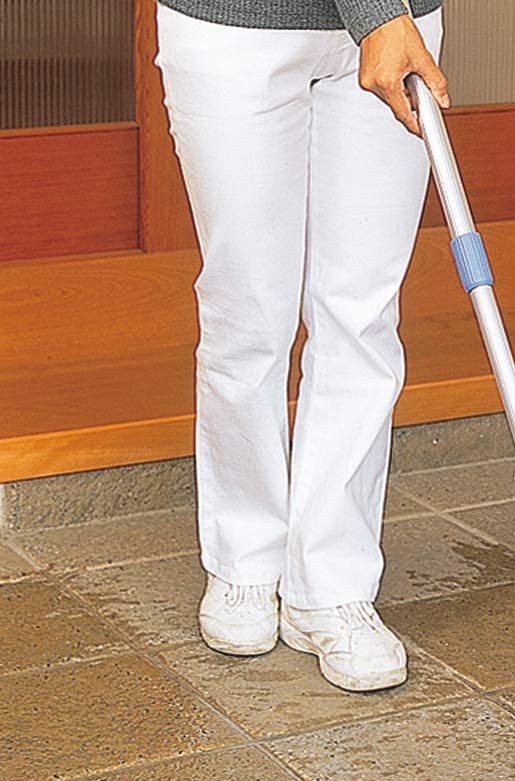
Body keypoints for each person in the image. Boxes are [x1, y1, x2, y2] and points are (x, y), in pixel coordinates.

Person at [154, 0, 449, 691]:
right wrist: (377, 12)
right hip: (235, 22)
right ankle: (244, 561)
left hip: (400, 24)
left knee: (363, 315)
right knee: (248, 311)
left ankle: (332, 586)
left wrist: (388, 16)